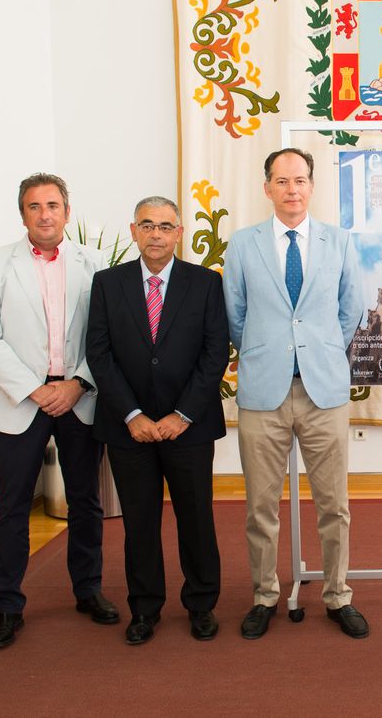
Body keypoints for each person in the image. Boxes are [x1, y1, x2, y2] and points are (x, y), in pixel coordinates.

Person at [223, 148, 367, 640]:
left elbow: (351, 310)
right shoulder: (243, 244)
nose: (292, 189)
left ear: (312, 185)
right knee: (260, 506)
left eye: (300, 180)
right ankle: (265, 595)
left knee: (334, 505)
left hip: (323, 390)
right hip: (264, 390)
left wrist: (318, 350)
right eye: (282, 181)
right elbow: (235, 315)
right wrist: (268, 352)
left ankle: (338, 595)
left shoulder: (339, 242)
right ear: (267, 188)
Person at [0, 173, 117, 650]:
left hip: (79, 398)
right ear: (23, 215)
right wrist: (36, 390)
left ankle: (88, 590)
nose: (45, 214)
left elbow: (107, 335)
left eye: (53, 205)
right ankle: (8, 605)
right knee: (12, 506)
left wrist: (77, 383)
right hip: (20, 401)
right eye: (34, 207)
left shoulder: (95, 264)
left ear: (67, 212)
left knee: (85, 501)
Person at [85, 196, 228, 646]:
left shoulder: (205, 283)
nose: (156, 234)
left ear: (179, 233)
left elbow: (215, 353)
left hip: (189, 427)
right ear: (133, 231)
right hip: (130, 428)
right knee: (139, 523)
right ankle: (144, 609)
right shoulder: (107, 283)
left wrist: (182, 415)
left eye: (165, 227)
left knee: (196, 519)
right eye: (147, 225)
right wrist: (132, 414)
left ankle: (201, 604)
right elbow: (99, 354)